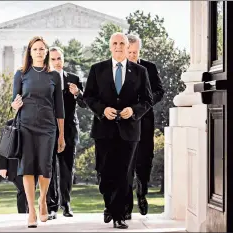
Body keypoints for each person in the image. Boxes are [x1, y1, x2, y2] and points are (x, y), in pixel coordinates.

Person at [83, 32, 153, 229]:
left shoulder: (140, 71)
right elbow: (89, 97)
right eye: (114, 43)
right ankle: (109, 205)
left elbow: (147, 100)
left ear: (126, 45)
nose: (118, 46)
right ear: (110, 46)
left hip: (129, 130)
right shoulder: (97, 69)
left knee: (124, 173)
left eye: (122, 43)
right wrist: (102, 110)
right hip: (104, 129)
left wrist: (134, 111)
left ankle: (119, 214)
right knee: (104, 173)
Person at [11, 36, 65, 228]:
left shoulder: (54, 76)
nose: (39, 52)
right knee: (27, 167)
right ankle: (31, 211)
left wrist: (61, 135)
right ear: (30, 52)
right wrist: (14, 105)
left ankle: (42, 200)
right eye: (35, 49)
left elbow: (60, 108)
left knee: (45, 166)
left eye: (42, 49)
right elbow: (13, 102)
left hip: (48, 127)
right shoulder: (21, 73)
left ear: (47, 51)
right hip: (25, 125)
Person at [43, 46, 87, 220]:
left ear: (64, 59)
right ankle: (51, 206)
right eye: (53, 59)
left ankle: (66, 204)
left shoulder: (74, 79)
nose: (57, 62)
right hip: (48, 129)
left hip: (69, 130)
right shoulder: (45, 79)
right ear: (49, 61)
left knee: (67, 168)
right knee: (50, 168)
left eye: (59, 58)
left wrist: (77, 93)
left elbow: (84, 103)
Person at [124, 34, 165, 220]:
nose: (132, 55)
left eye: (135, 52)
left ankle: (142, 193)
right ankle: (126, 203)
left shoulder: (150, 67)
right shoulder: (120, 69)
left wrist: (146, 103)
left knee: (145, 160)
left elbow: (159, 91)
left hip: (145, 121)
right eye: (129, 52)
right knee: (126, 162)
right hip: (125, 122)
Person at [0, 123, 28, 214]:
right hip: (15, 165)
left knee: (29, 190)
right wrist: (3, 166)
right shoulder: (11, 123)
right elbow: (4, 146)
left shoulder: (34, 122)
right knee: (23, 189)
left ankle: (28, 215)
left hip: (30, 163)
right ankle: (23, 215)